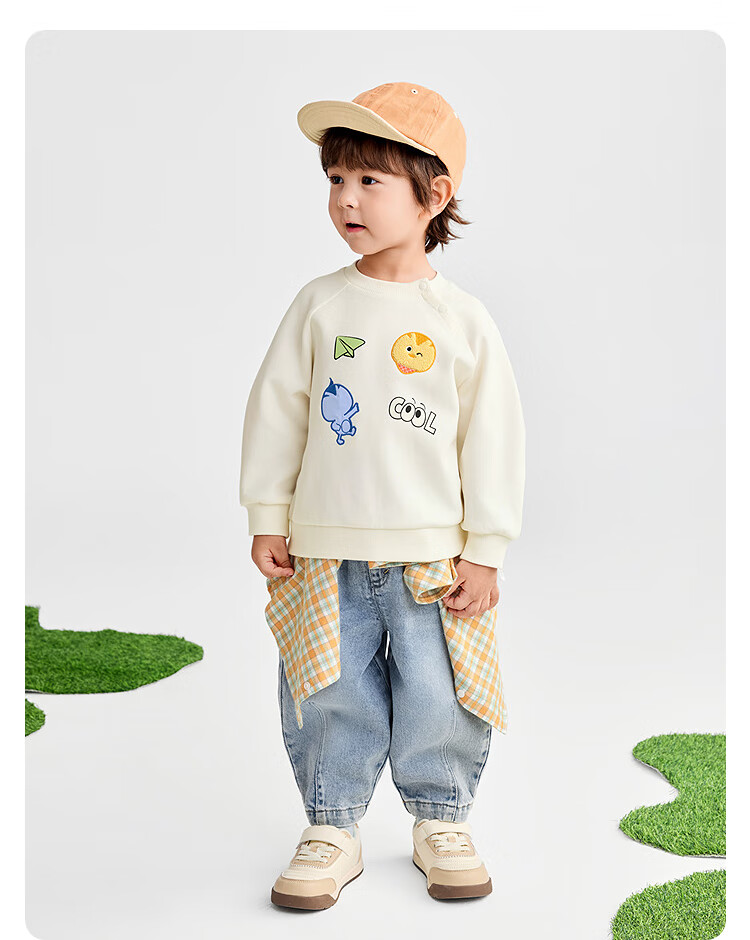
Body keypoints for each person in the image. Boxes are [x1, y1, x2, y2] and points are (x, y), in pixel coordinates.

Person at [239, 81, 526, 910]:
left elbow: (493, 438)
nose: (346, 199)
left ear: (433, 195)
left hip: (434, 558)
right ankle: (332, 824)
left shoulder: (461, 320)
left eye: (370, 180)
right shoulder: (321, 304)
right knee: (329, 690)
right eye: (336, 179)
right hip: (324, 547)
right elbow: (278, 412)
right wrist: (268, 514)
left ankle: (441, 818)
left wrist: (486, 548)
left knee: (439, 692)